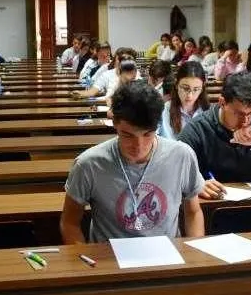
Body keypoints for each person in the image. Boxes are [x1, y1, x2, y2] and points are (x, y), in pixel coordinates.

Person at [60, 81, 205, 243]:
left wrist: (195, 251)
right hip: (108, 254)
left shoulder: (182, 156)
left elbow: (193, 212)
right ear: (114, 122)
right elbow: (70, 222)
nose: (139, 146)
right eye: (128, 135)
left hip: (167, 251)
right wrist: (83, 256)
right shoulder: (89, 164)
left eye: (147, 134)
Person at [158, 61, 209, 141]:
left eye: (196, 89)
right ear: (176, 85)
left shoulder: (207, 111)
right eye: (185, 88)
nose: (190, 96)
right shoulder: (165, 110)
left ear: (202, 88)